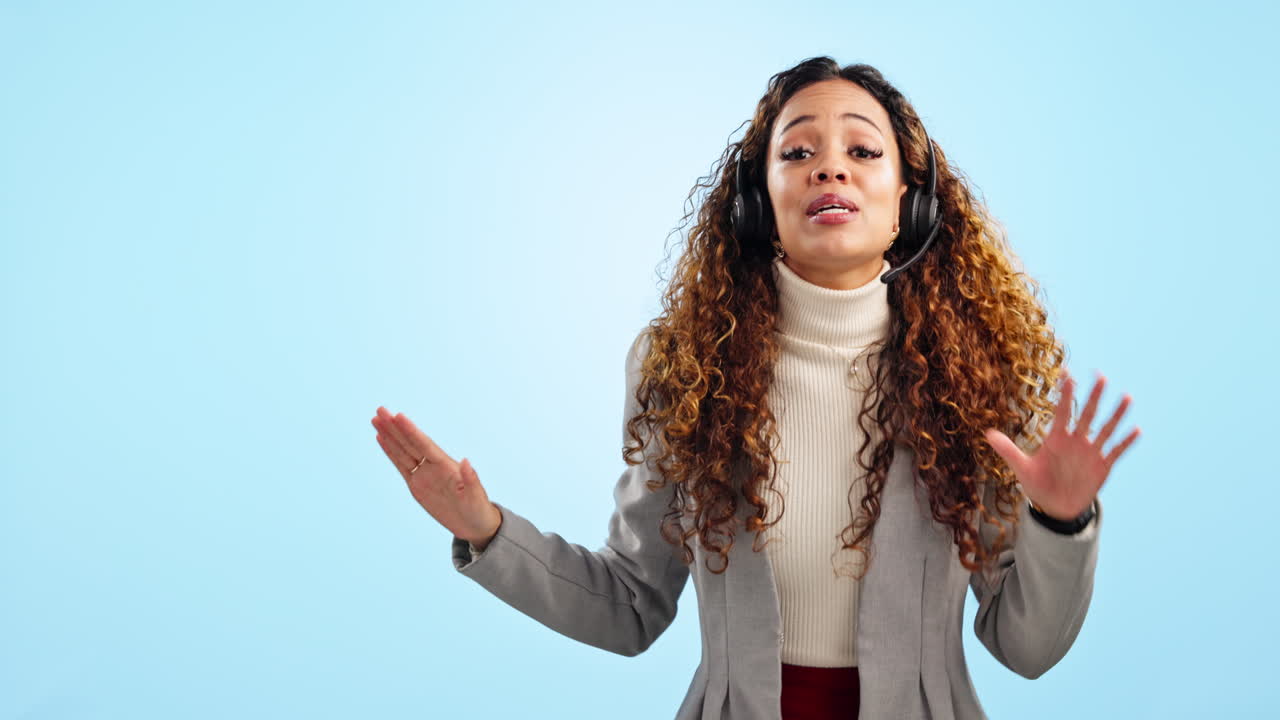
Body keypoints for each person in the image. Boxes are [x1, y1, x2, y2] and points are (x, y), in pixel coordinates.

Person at [371, 56, 1140, 720]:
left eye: (863, 150)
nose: (830, 167)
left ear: (913, 201)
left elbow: (1026, 648)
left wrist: (1060, 523)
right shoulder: (684, 367)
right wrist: (488, 531)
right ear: (755, 203)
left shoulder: (972, 381)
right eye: (798, 150)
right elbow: (631, 603)